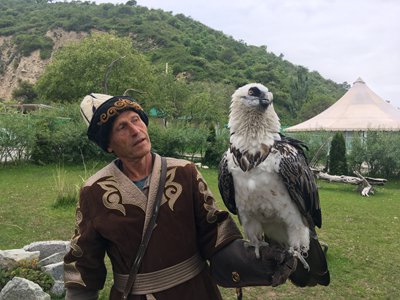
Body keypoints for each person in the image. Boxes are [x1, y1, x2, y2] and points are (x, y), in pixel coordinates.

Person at [64, 94, 296, 300]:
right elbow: (84, 262)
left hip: (196, 291)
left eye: (136, 120)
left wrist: (250, 259)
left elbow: (214, 231)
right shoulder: (94, 191)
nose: (135, 130)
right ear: (108, 145)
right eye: (121, 127)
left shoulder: (185, 172)